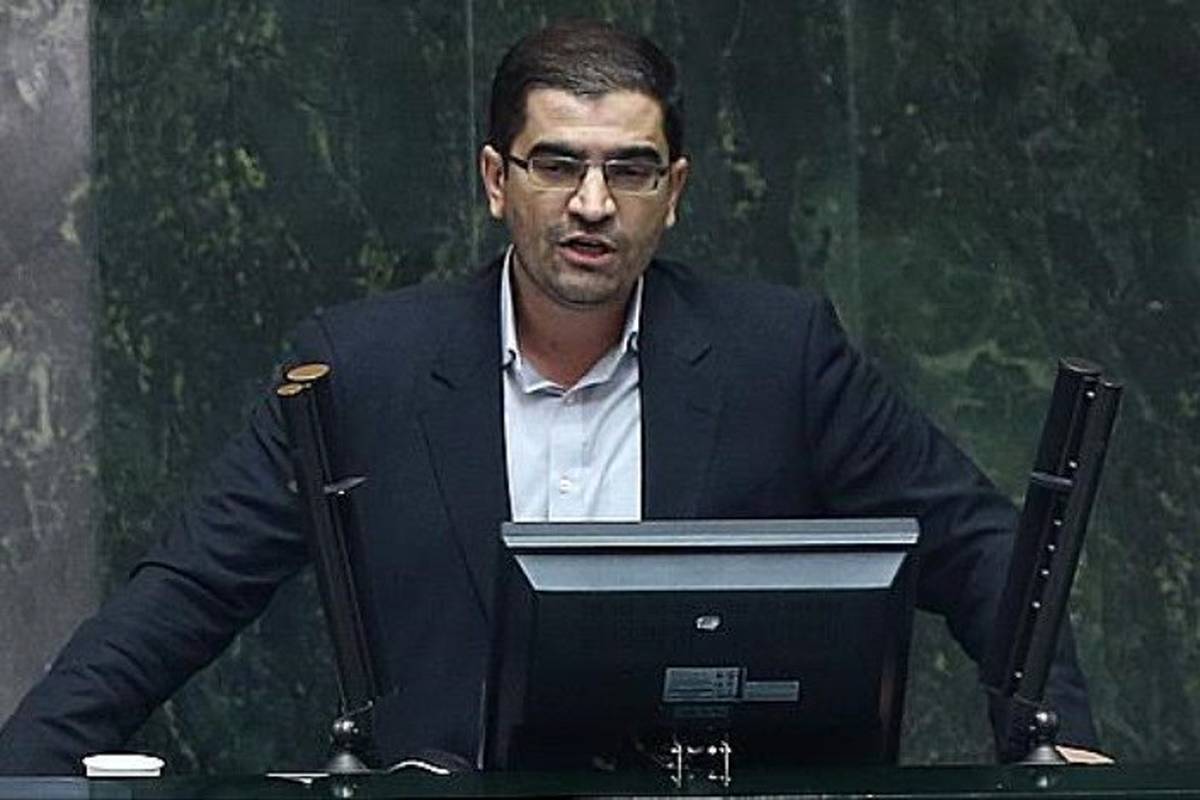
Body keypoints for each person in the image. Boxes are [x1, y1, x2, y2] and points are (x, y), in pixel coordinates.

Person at [0, 19, 1105, 774]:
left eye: (629, 168)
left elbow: (983, 547)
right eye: (556, 163)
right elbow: (189, 588)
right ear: (498, 180)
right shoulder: (364, 368)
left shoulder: (780, 357)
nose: (591, 203)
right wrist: (31, 764)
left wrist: (1052, 740)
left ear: (673, 191)